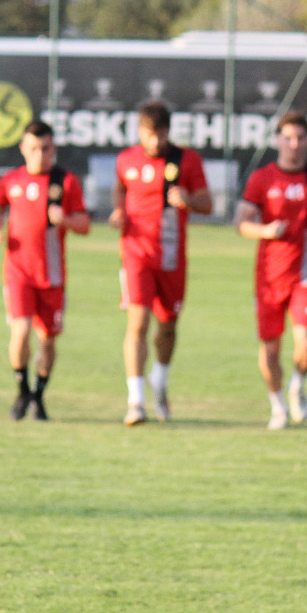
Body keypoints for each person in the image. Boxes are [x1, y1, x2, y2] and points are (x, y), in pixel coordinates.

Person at [235, 110, 307, 429]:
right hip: (269, 277)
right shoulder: (262, 178)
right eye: (288, 137)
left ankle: (296, 385)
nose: (294, 144)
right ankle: (277, 405)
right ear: (277, 139)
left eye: (300, 138)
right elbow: (240, 222)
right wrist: (265, 231)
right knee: (270, 348)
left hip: (306, 273)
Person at [110, 100, 213, 425]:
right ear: (140, 131)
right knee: (137, 323)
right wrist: (118, 211)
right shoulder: (126, 159)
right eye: (149, 134)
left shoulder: (186, 159)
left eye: (161, 134)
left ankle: (160, 381)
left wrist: (189, 200)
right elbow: (119, 188)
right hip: (136, 254)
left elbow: (208, 203)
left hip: (171, 256)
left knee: (167, 327)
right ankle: (135, 401)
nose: (155, 141)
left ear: (169, 132)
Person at [0, 120, 91, 420]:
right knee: (20, 333)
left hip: (52, 275)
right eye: (33, 148)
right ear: (23, 148)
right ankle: (22, 391)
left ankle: (39, 394)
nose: (39, 155)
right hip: (18, 272)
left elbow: (84, 225)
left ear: (53, 148)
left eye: (45, 149)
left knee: (47, 341)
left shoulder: (66, 182)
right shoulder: (11, 180)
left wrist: (66, 221)